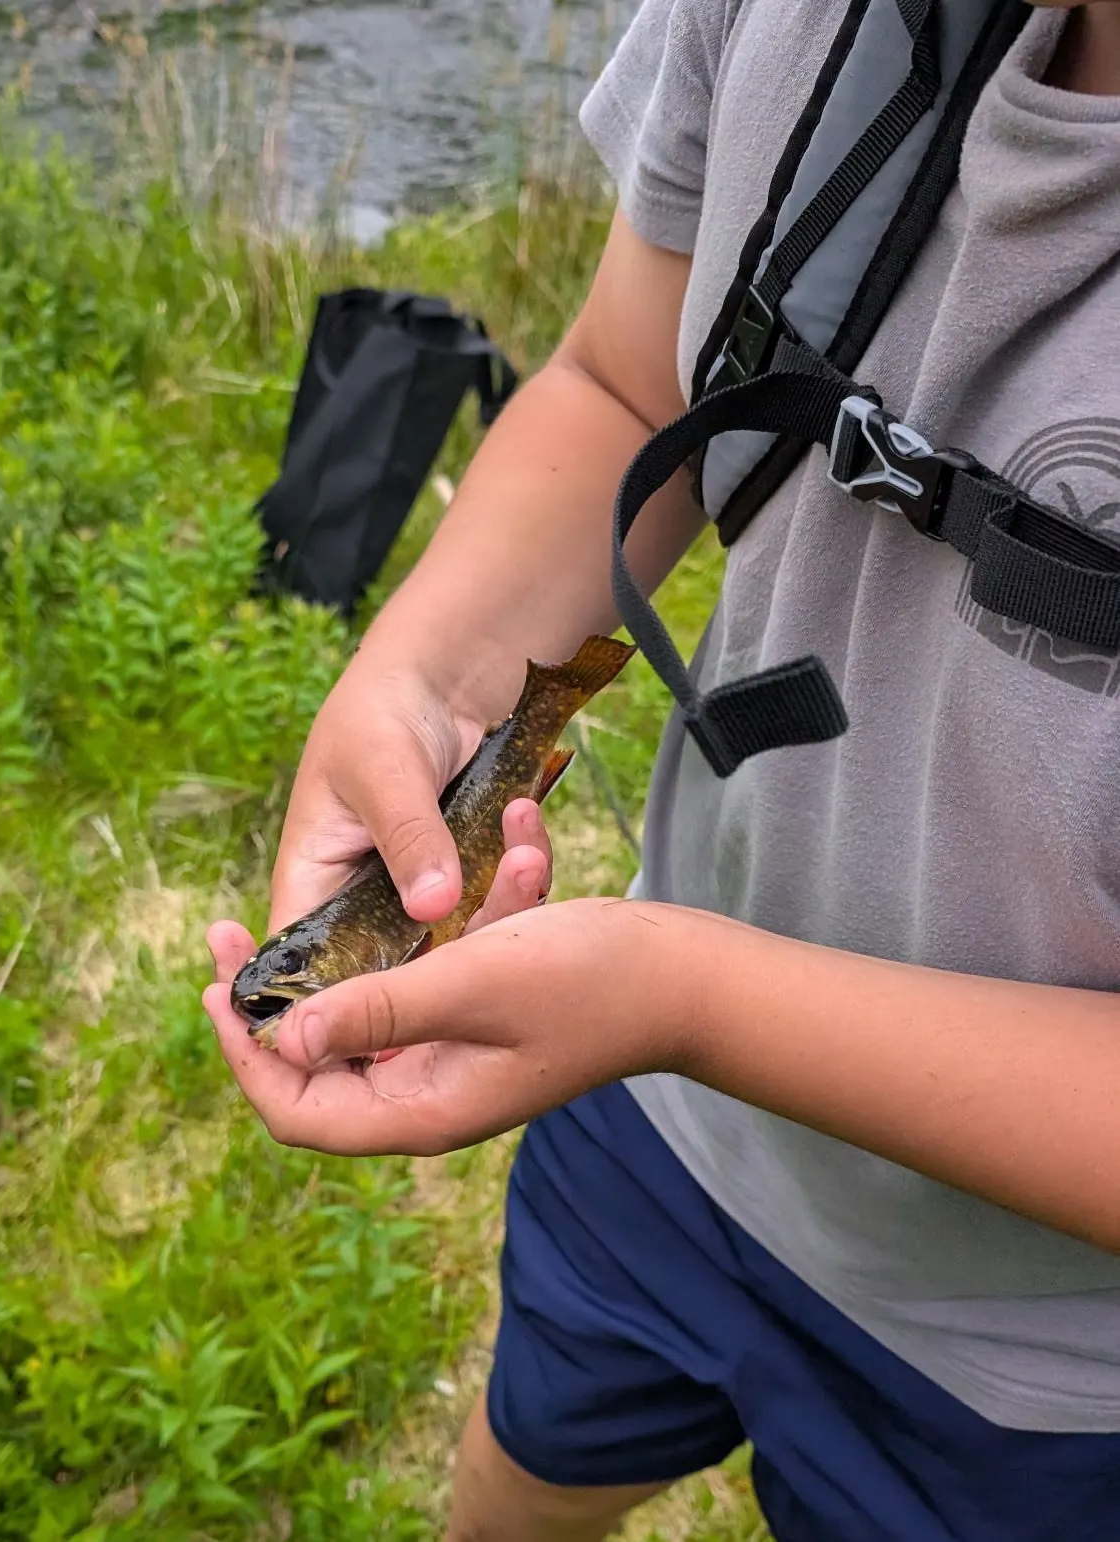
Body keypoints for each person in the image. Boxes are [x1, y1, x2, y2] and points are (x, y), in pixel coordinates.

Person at [203, 1, 1120, 1537]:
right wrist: (423, 678)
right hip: (658, 1124)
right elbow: (633, 382)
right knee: (524, 1469)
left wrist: (680, 997)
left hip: (1047, 1378)